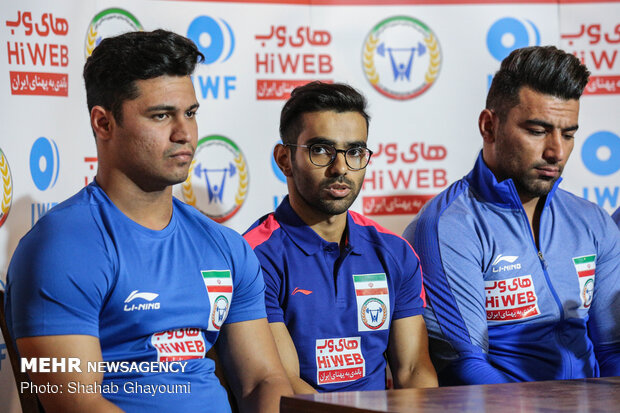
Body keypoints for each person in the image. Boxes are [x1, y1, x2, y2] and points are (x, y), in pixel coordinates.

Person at [5, 29, 292, 412]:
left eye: (190, 113)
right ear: (103, 124)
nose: (184, 133)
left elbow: (263, 380)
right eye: (161, 116)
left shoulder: (225, 247)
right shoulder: (63, 247)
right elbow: (73, 402)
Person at [403, 46, 620, 385]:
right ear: (489, 126)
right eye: (537, 130)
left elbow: (612, 351)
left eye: (568, 134)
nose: (556, 152)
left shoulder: (592, 220)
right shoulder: (448, 225)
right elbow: (464, 365)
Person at [243, 81, 437, 393]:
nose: (340, 168)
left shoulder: (395, 253)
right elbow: (283, 382)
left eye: (355, 152)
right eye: (321, 150)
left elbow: (414, 370)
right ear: (283, 160)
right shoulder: (254, 257)